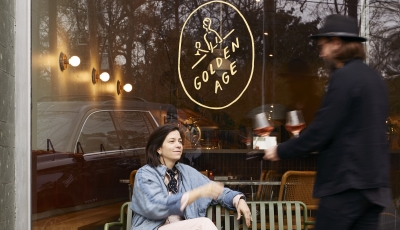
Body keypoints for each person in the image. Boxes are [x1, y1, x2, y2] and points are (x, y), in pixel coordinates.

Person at [263, 14, 391, 230]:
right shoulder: (375, 79)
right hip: (374, 189)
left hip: (345, 185)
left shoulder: (344, 77)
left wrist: (280, 150)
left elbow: (322, 131)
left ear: (337, 44)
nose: (321, 53)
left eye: (323, 46)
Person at [130, 124, 252, 230]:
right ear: (158, 148)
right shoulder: (145, 174)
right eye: (172, 141)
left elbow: (216, 190)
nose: (178, 145)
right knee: (202, 224)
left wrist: (238, 200)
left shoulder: (186, 172)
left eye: (180, 141)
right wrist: (196, 193)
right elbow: (156, 206)